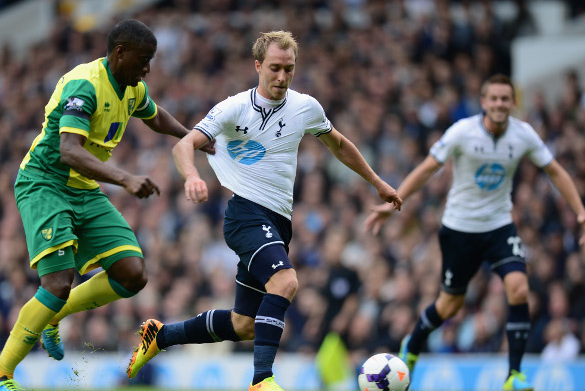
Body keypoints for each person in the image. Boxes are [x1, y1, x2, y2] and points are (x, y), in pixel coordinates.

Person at [126, 30, 402, 391]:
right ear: (257, 65)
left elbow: (338, 143)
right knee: (286, 282)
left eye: (289, 69)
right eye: (274, 68)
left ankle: (160, 336)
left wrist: (377, 182)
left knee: (244, 324)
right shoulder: (233, 108)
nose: (282, 77)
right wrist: (192, 176)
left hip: (278, 222)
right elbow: (185, 145)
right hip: (245, 214)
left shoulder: (305, 107)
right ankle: (261, 380)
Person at [0, 19, 214, 391]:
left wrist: (191, 137)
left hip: (83, 188)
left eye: (150, 61)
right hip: (45, 183)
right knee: (56, 283)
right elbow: (69, 150)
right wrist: (125, 178)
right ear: (119, 53)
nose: (147, 69)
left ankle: (55, 316)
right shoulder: (85, 85)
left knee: (132, 274)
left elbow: (154, 116)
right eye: (143, 60)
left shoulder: (132, 88)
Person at [364, 73, 585, 391]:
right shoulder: (462, 132)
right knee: (449, 306)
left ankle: (514, 375)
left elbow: (554, 170)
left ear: (513, 103)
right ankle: (412, 344)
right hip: (460, 229)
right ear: (484, 102)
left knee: (519, 288)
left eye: (505, 99)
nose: (499, 104)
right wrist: (394, 201)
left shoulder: (523, 135)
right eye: (493, 98)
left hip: (499, 226)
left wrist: (581, 212)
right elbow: (429, 167)